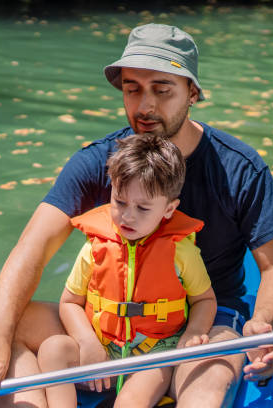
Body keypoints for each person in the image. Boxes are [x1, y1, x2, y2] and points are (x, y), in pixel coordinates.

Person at [0, 23, 273, 408]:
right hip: (111, 323)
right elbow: (33, 249)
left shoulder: (239, 168)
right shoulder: (101, 161)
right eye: (132, 89)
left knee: (205, 389)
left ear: (192, 92)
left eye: (162, 89)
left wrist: (262, 324)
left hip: (205, 324)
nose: (145, 106)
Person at [38, 133, 216, 408]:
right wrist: (88, 343)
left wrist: (194, 333)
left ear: (169, 209)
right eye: (119, 202)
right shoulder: (95, 248)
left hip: (154, 355)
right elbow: (69, 302)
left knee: (129, 402)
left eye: (143, 208)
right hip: (103, 348)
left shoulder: (181, 253)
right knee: (53, 349)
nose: (128, 216)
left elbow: (204, 300)